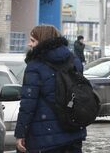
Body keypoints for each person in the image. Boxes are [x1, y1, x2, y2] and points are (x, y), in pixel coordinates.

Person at [15, 25, 86, 153]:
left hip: (45, 139)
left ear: (42, 41)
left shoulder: (35, 66)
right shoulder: (74, 61)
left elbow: (28, 104)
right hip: (73, 131)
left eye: (32, 40)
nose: (29, 44)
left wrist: (20, 133)